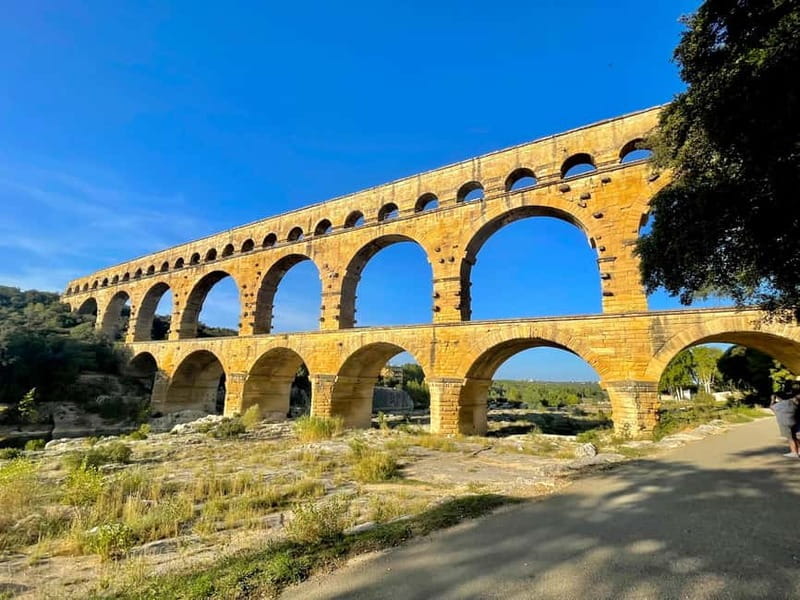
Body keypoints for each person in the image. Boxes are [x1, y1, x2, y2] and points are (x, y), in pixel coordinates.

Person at [770, 390, 799, 458]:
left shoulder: (780, 405)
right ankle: (798, 449)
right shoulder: (793, 402)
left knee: (790, 438)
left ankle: (794, 452)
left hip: (785, 423)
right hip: (794, 421)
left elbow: (771, 407)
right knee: (794, 437)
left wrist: (772, 400)